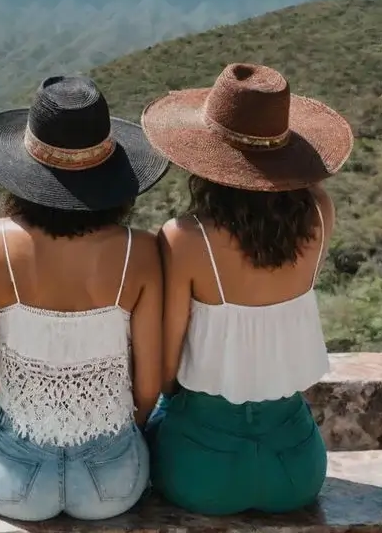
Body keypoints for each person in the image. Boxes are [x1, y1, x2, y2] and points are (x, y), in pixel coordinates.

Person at [141, 62, 354, 515]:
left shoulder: (185, 237)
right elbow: (305, 185)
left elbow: (166, 362)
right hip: (297, 469)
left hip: (203, 468)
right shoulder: (319, 213)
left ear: (205, 160)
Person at [0, 75, 169, 522]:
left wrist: (34, 402)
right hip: (113, 481)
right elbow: (150, 384)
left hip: (13, 479)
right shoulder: (141, 250)